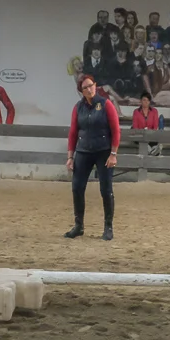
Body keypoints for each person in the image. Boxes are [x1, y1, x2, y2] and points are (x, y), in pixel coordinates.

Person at [65, 74, 120, 241]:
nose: (89, 89)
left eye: (91, 85)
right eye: (85, 87)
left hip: (103, 151)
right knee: (77, 187)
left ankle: (108, 227)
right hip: (83, 151)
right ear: (81, 91)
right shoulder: (78, 108)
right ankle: (78, 225)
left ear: (95, 86)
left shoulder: (106, 104)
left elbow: (116, 130)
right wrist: (70, 156)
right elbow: (73, 132)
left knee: (105, 189)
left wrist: (113, 153)